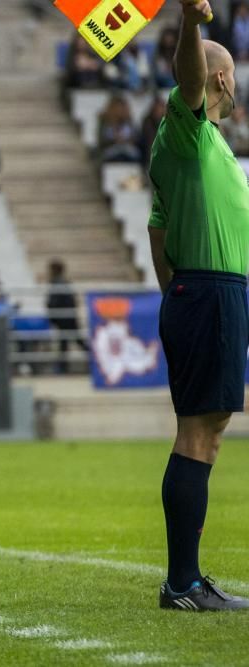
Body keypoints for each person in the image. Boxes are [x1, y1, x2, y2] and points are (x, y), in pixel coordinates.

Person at [147, 0, 249, 611]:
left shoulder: (201, 147)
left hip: (209, 293)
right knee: (197, 435)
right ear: (220, 78)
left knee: (207, 431)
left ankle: (186, 579)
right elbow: (188, 74)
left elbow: (157, 232)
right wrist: (192, 19)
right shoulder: (185, 128)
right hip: (209, 292)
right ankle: (182, 583)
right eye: (231, 72)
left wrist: (176, 299)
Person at [45, 259, 86, 374]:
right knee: (67, 342)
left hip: (66, 318)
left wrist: (51, 309)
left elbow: (55, 302)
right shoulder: (63, 282)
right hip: (67, 317)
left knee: (74, 341)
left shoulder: (59, 283)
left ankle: (63, 367)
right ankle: (63, 367)